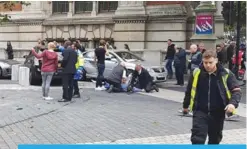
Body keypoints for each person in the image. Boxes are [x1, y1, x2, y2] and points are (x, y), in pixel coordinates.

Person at [182, 50, 241, 144]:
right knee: (197, 139)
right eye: (205, 62)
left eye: (210, 62)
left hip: (218, 112)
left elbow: (236, 91)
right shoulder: (196, 73)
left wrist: (232, 104)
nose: (208, 65)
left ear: (216, 60)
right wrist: (185, 106)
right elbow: (189, 91)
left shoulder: (225, 73)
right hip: (200, 111)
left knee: (214, 140)